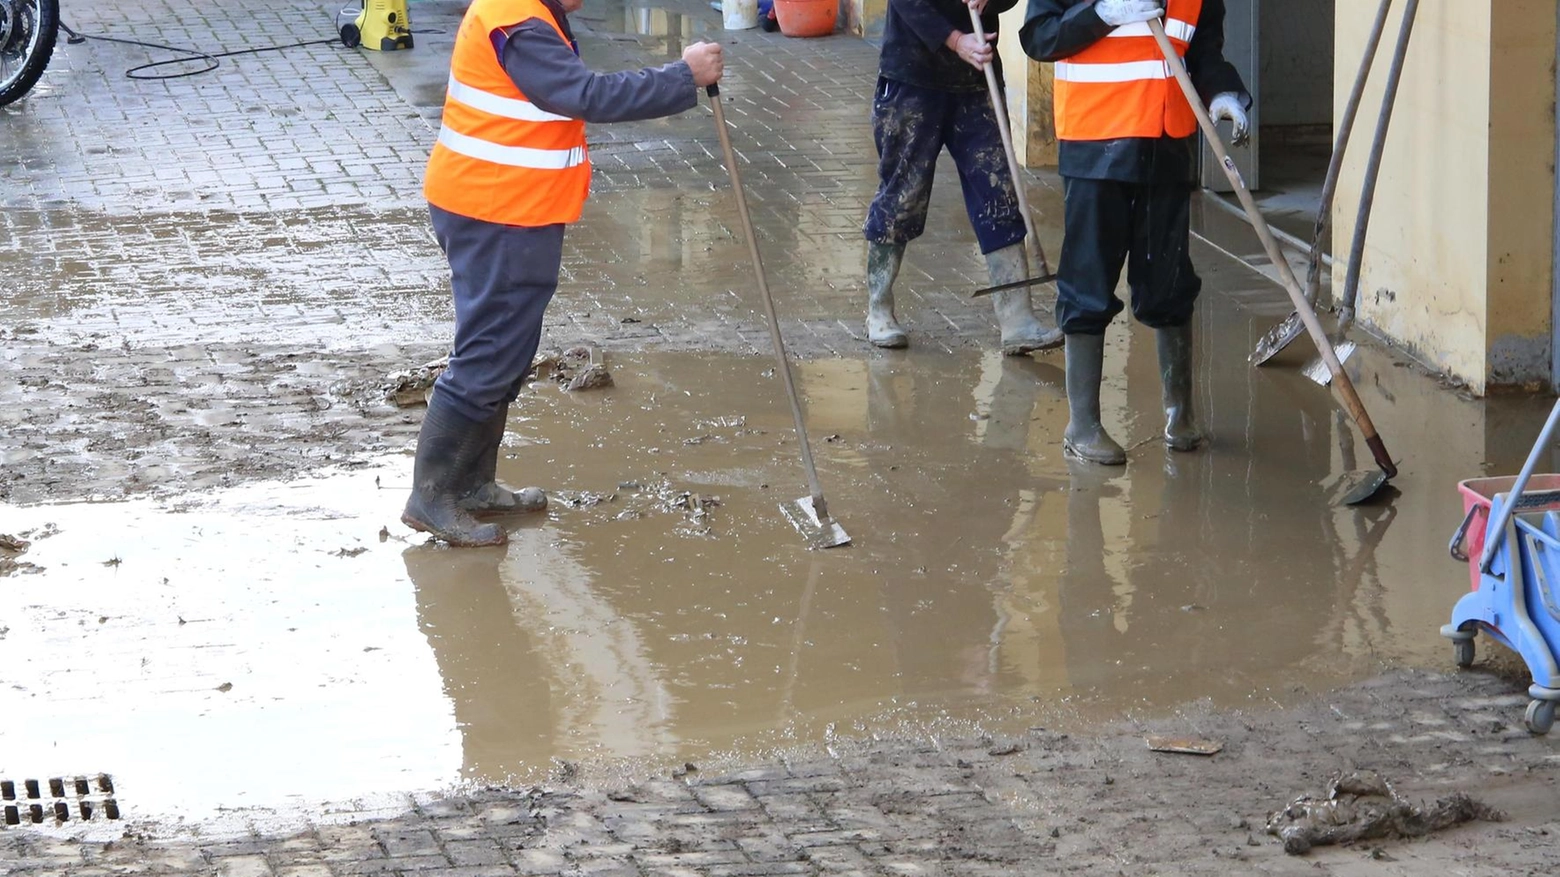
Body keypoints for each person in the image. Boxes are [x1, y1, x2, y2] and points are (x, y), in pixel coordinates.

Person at [406, 0, 725, 546]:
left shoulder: (527, 13)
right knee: (487, 356)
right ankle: (433, 499)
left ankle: (472, 485)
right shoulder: (517, 22)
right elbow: (586, 95)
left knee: (505, 355)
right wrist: (682, 76)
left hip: (511, 208)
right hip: (494, 210)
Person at [1020, 0, 1250, 465]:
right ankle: (1082, 426)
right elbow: (1039, 37)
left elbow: (1203, 51)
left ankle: (1179, 416)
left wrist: (1223, 93)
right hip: (1095, 141)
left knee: (1168, 282)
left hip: (1167, 146)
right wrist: (1102, 14)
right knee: (1087, 283)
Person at [862, 0, 1064, 355]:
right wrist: (955, 40)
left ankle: (1017, 320)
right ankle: (879, 310)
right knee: (902, 197)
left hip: (977, 81)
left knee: (998, 193)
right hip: (913, 77)